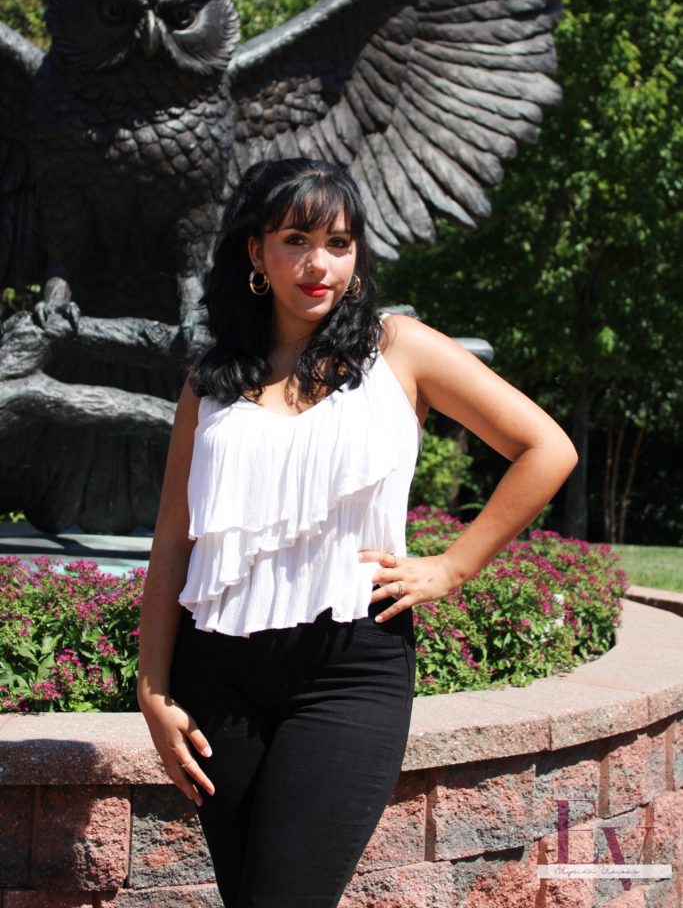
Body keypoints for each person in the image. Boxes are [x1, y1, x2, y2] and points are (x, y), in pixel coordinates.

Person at [137, 157, 577, 908]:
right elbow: (174, 538)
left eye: (338, 244)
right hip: (219, 681)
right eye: (295, 239)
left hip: (349, 671)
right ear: (256, 252)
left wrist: (452, 567)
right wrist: (152, 689)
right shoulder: (210, 378)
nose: (319, 264)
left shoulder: (396, 349)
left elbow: (547, 449)